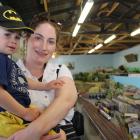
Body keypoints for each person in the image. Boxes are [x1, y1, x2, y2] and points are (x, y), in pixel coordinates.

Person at [0, 5, 66, 140]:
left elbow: (22, 80)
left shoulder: (8, 61)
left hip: (17, 114)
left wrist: (45, 86)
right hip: (7, 116)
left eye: (17, 37)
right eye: (7, 34)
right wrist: (24, 113)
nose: (13, 40)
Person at [16, 12, 78, 140]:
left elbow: (65, 100)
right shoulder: (11, 72)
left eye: (50, 42)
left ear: (55, 46)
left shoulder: (60, 71)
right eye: (38, 38)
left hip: (61, 132)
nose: (44, 47)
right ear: (27, 38)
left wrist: (31, 134)